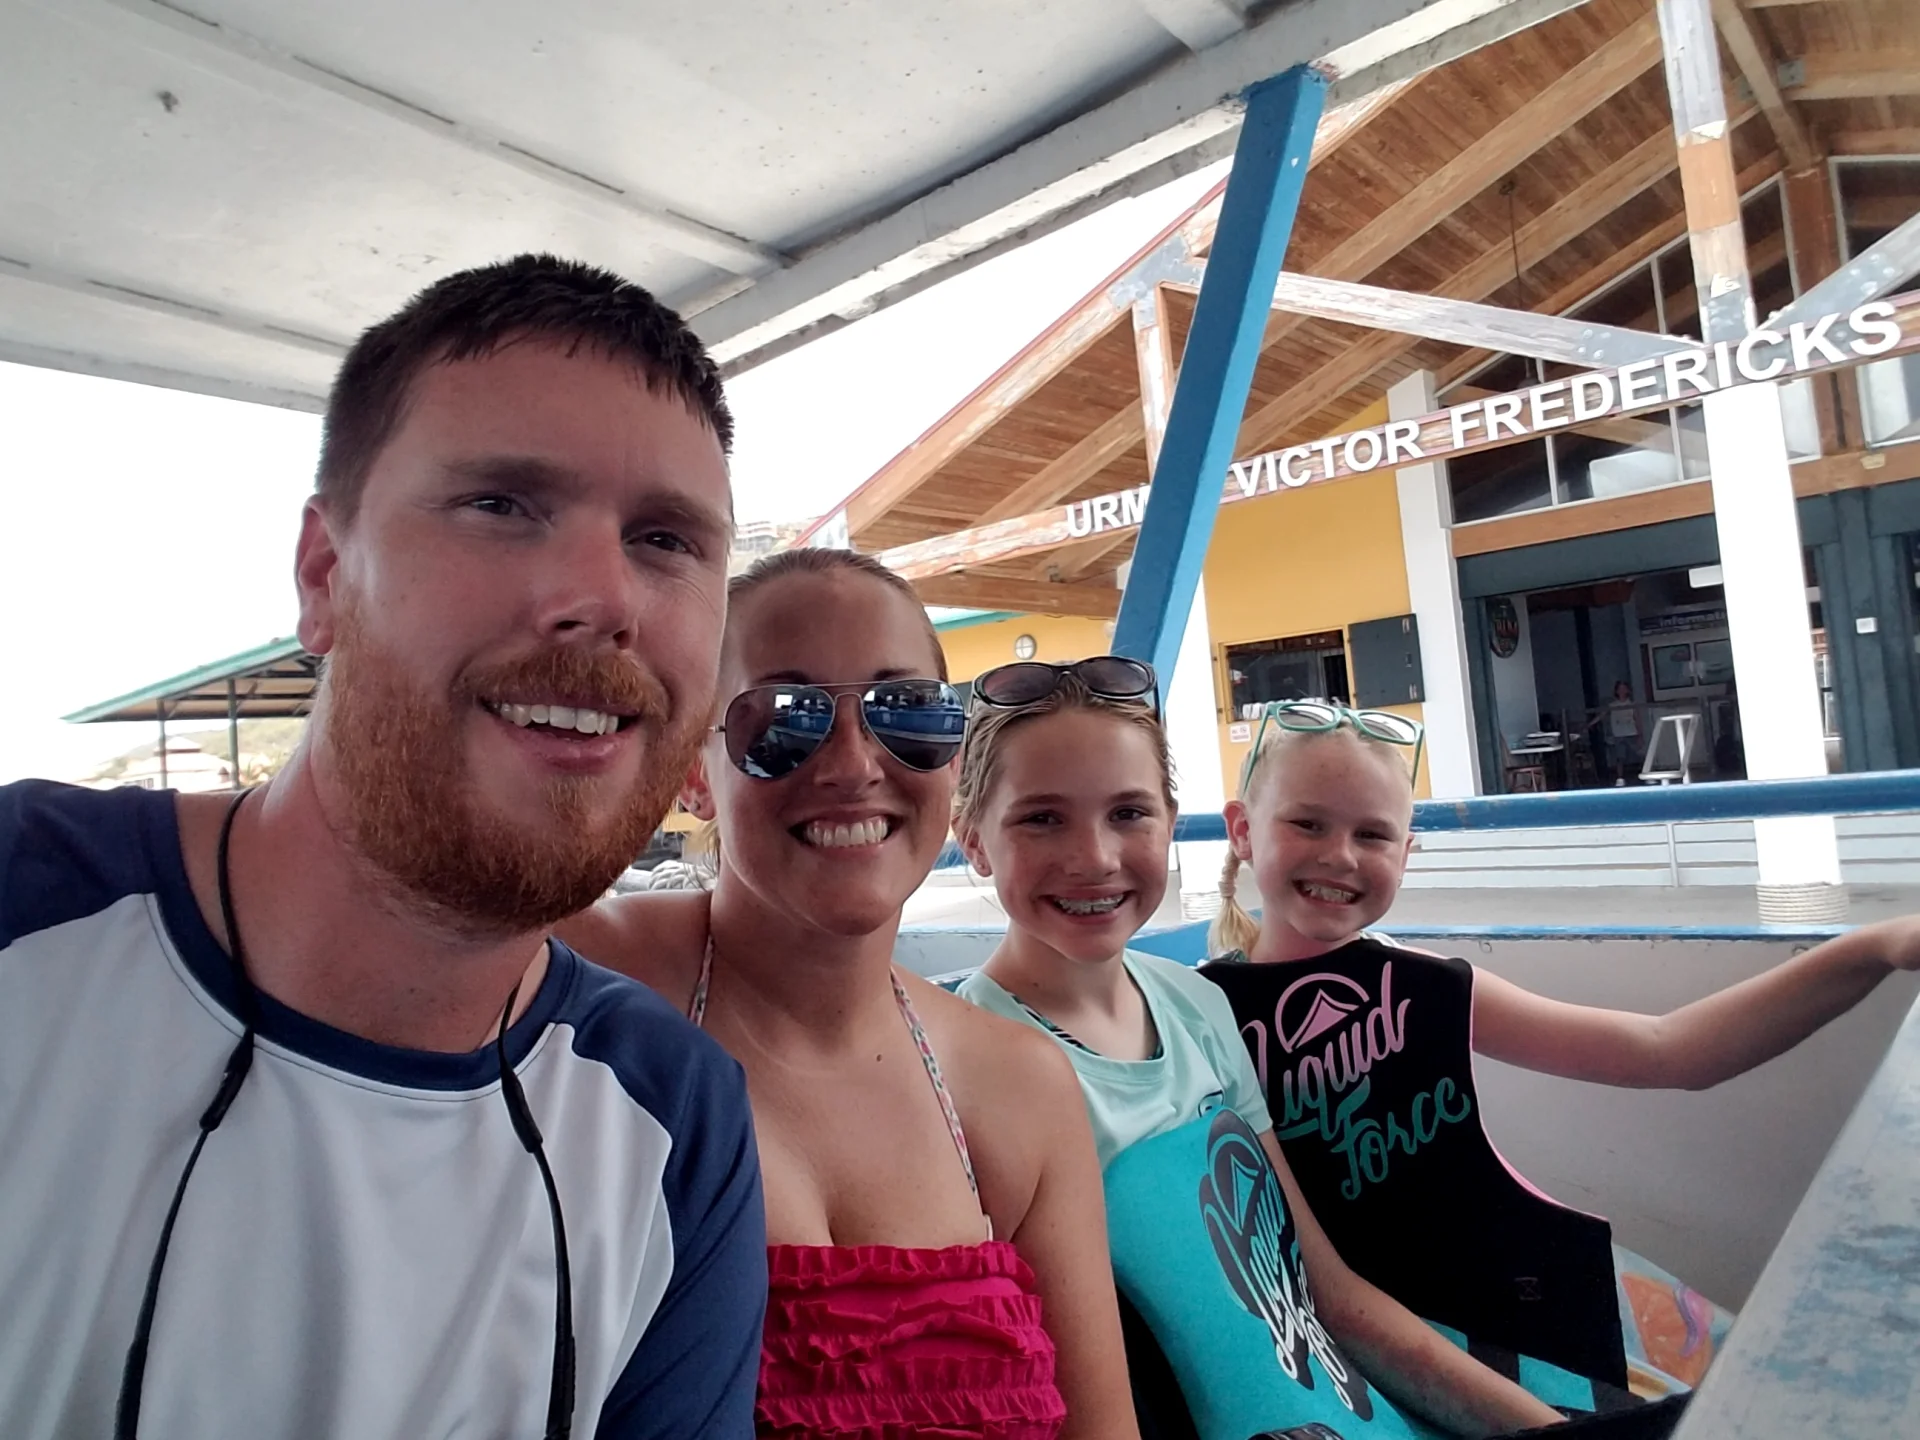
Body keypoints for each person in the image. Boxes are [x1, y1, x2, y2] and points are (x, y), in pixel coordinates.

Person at [0, 256, 767, 1439]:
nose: (603, 596)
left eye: (665, 539)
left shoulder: (672, 1119)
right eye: (501, 504)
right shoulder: (27, 911)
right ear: (324, 575)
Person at [558, 548, 1135, 1439]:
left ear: (953, 758)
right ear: (693, 771)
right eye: (782, 719)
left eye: (908, 711)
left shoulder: (1017, 1086)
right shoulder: (581, 980)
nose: (854, 763)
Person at [1202, 701, 1920, 1397]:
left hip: (1528, 1301)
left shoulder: (1428, 987)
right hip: (1345, 1359)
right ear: (1242, 831)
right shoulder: (1190, 1018)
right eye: (1307, 823)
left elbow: (1666, 1051)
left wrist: (1874, 949)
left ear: (1407, 852)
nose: (1339, 856)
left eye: (1373, 835)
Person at [949, 661, 1576, 1440]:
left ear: (1169, 822)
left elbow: (1328, 1294)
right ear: (973, 839)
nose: (1096, 857)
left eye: (1129, 813)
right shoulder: (967, 1063)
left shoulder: (1197, 1006)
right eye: (1043, 818)